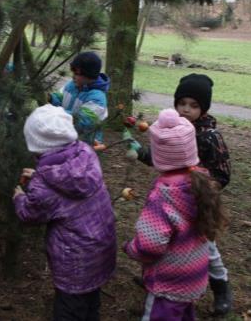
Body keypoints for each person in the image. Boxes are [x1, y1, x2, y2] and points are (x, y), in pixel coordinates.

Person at [133, 73, 233, 315]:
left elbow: (223, 173)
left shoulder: (209, 136)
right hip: (174, 195)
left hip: (199, 200)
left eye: (194, 105)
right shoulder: (174, 129)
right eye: (182, 103)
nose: (186, 109)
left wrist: (202, 187)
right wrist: (141, 153)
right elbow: (165, 160)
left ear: (204, 108)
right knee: (169, 241)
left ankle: (221, 285)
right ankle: (156, 278)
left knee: (205, 246)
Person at [13, 104, 117, 321]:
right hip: (101, 248)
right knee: (90, 303)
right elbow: (64, 184)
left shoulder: (44, 184)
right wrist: (39, 177)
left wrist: (19, 197)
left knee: (69, 310)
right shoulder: (86, 153)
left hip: (73, 262)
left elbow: (30, 214)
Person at [50, 51, 110, 145]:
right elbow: (59, 97)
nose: (73, 76)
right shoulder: (71, 85)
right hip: (67, 137)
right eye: (73, 72)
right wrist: (50, 98)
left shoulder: (98, 99)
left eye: (77, 74)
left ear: (89, 75)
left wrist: (54, 114)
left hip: (85, 145)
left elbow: (82, 121)